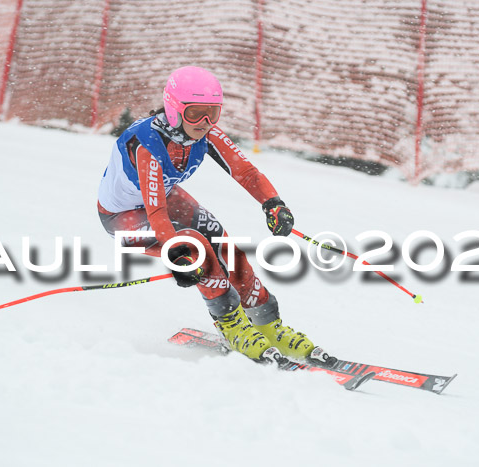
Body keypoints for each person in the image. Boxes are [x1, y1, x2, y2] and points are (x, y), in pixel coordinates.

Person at [97, 66, 326, 365]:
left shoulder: (206, 134)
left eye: (212, 113)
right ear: (174, 109)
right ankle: (231, 325)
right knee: (192, 246)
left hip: (162, 197)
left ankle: (268, 323)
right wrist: (176, 254)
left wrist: (273, 203)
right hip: (122, 215)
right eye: (195, 114)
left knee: (218, 236)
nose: (205, 123)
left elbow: (245, 171)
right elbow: (155, 212)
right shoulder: (147, 144)